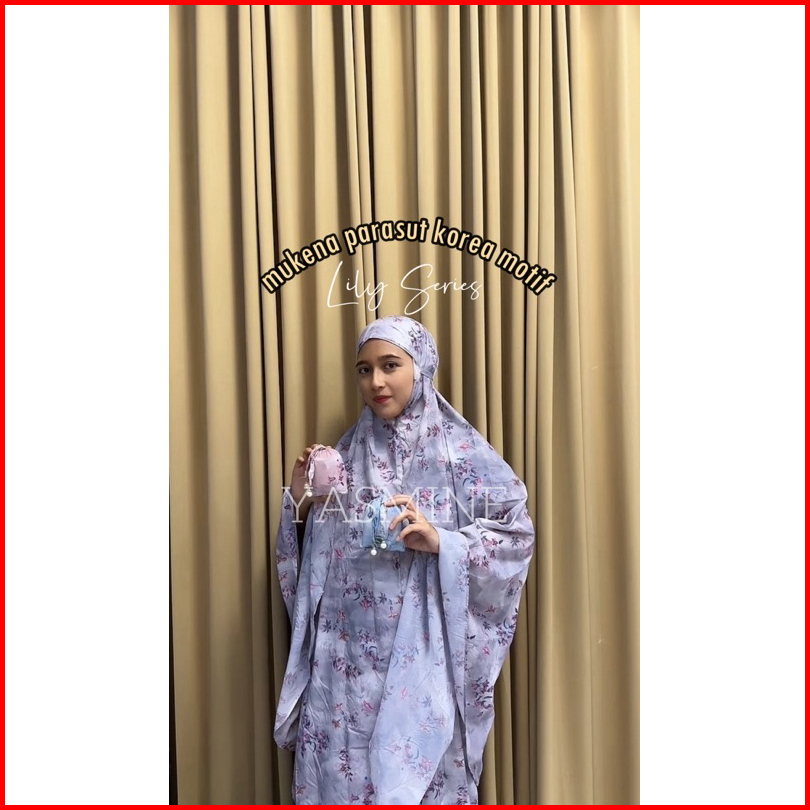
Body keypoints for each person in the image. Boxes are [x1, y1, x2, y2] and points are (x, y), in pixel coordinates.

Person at [274, 315, 535, 805]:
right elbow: (316, 561)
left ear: (422, 366)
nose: (375, 381)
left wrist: (442, 542)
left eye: (390, 365)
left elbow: (515, 536)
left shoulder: (461, 453)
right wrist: (301, 501)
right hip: (345, 670)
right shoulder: (345, 454)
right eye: (364, 369)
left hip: (422, 662)